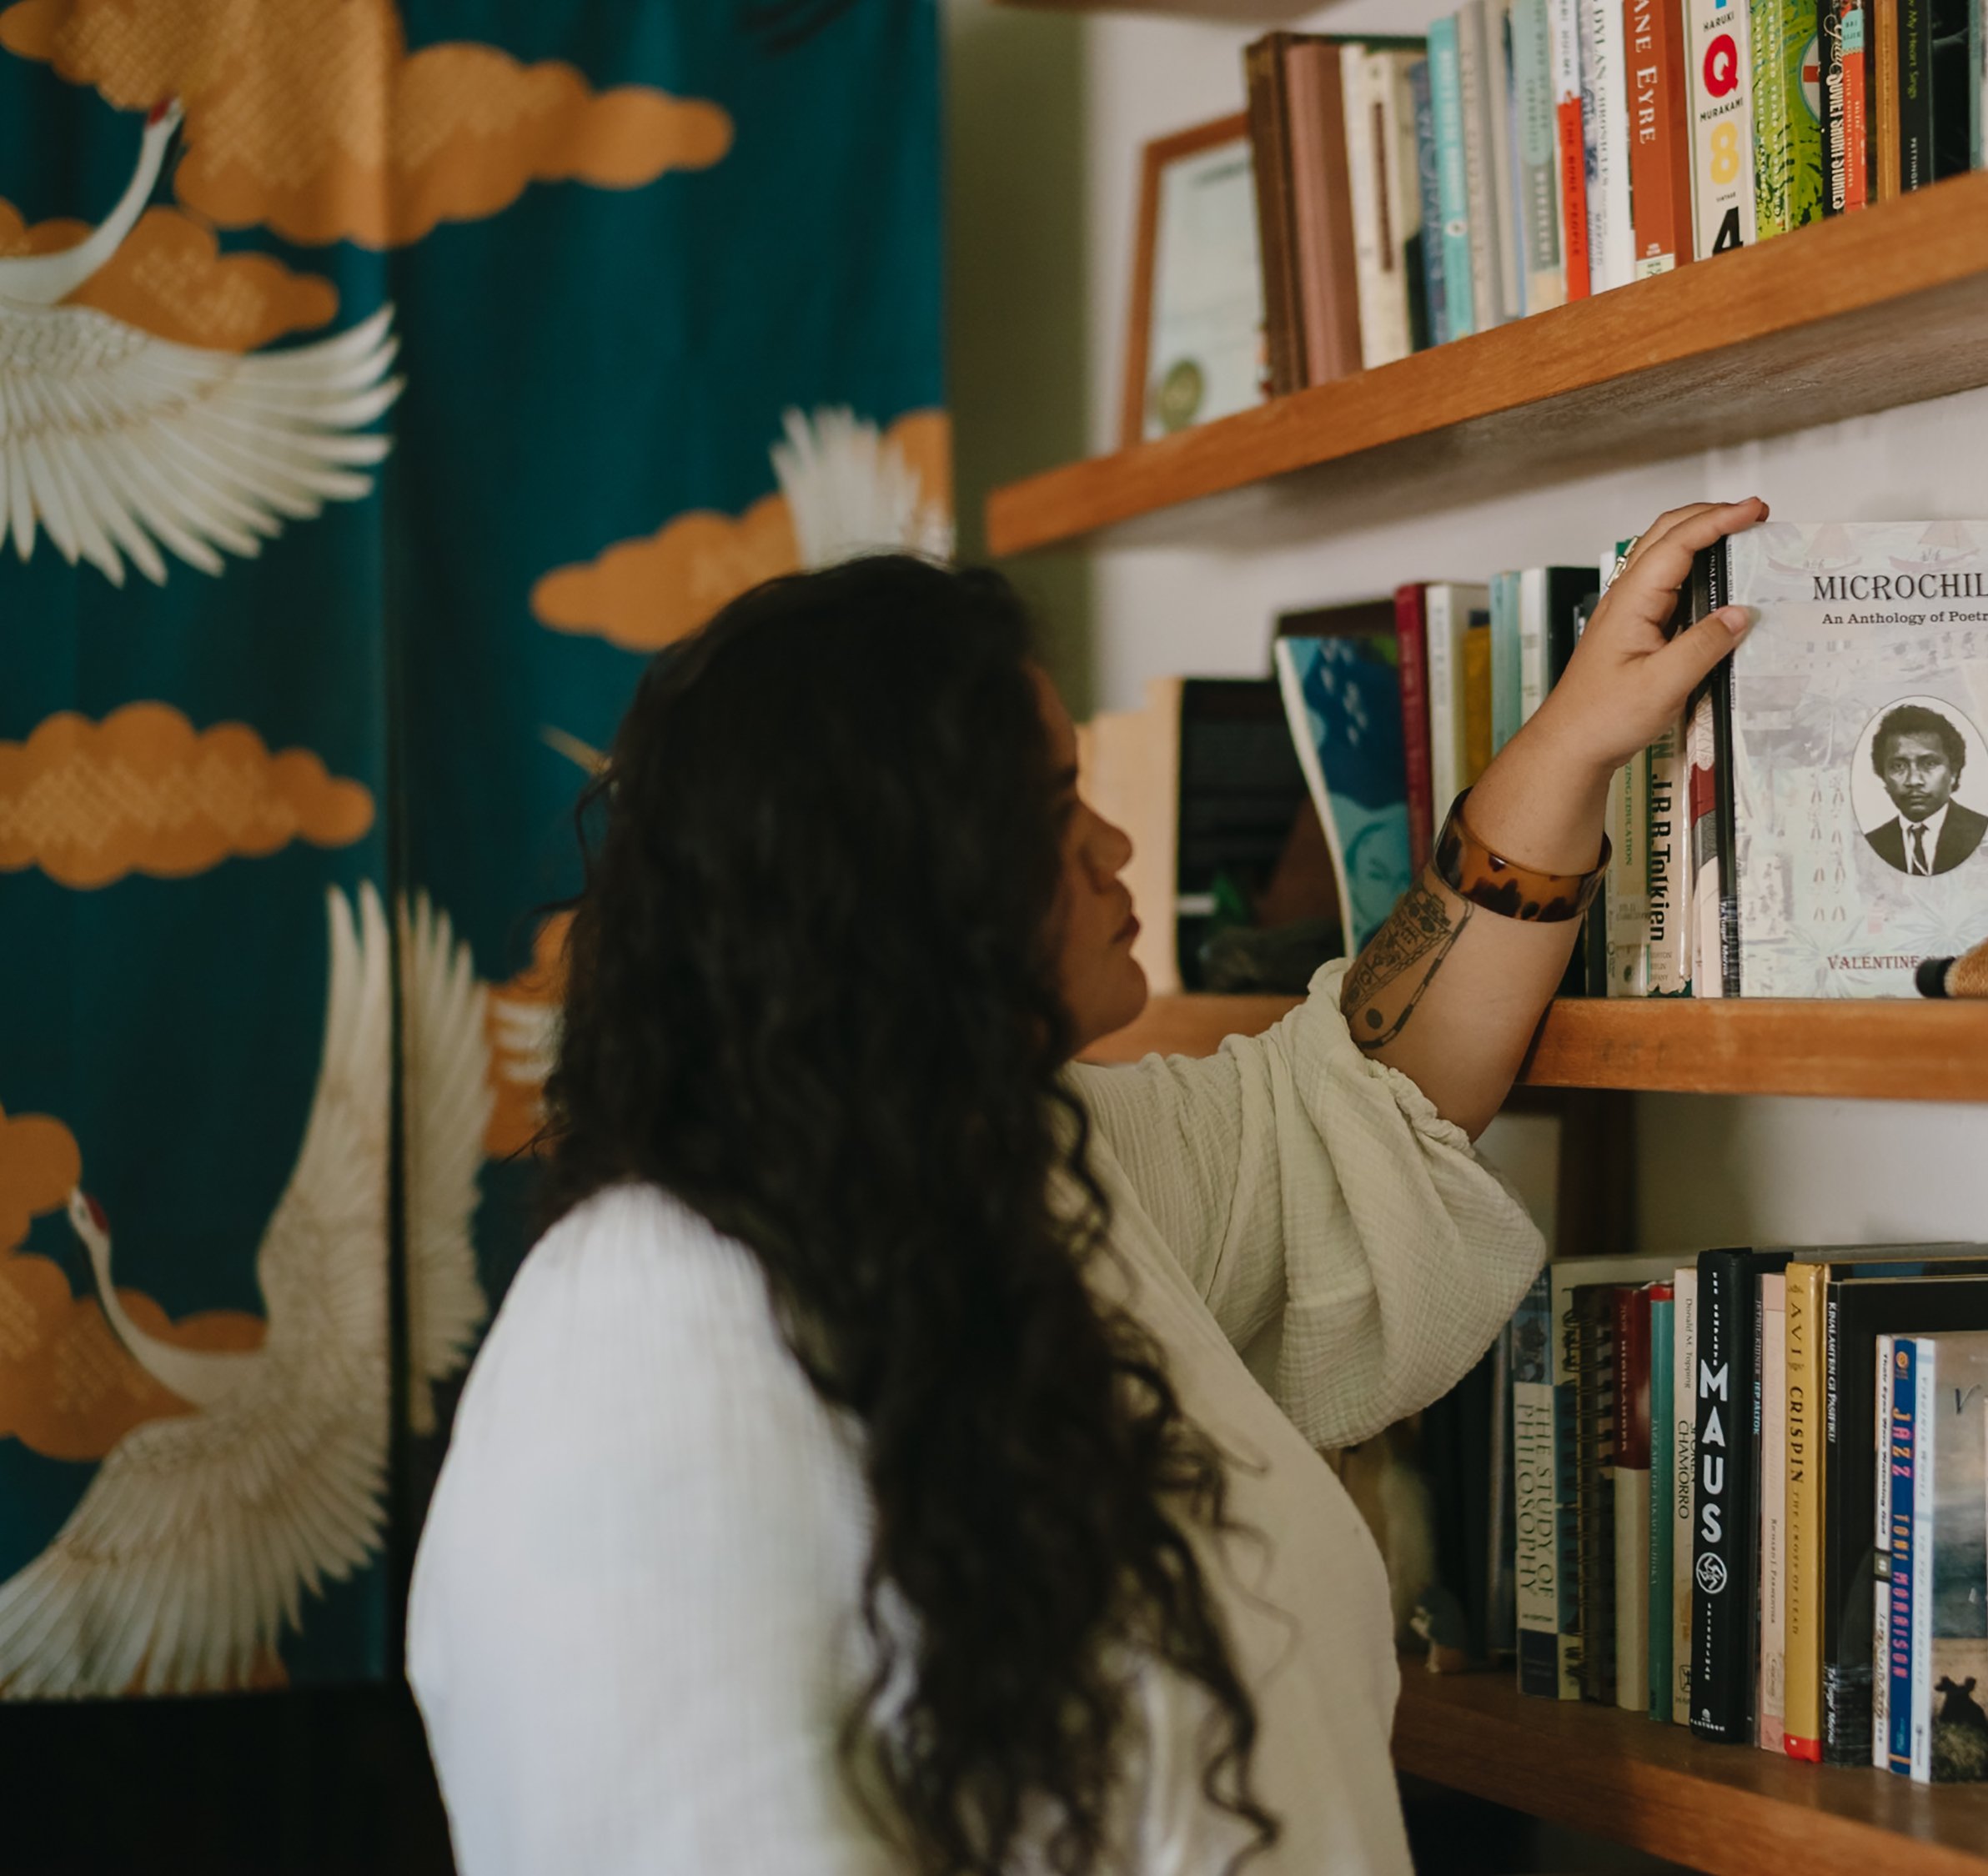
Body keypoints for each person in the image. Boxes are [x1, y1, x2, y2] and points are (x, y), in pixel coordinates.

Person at [405, 499, 1765, 1876]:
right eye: (1056, 814)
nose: (1115, 851)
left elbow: (1360, 1098)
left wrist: (1577, 740)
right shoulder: (651, 1327)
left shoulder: (1029, 1170)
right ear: (900, 880)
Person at [1862, 702, 1988, 876]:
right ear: (1883, 776)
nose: (1914, 780)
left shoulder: (1984, 833)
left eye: (1929, 764)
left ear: (1954, 772)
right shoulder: (1872, 844)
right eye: (1898, 766)